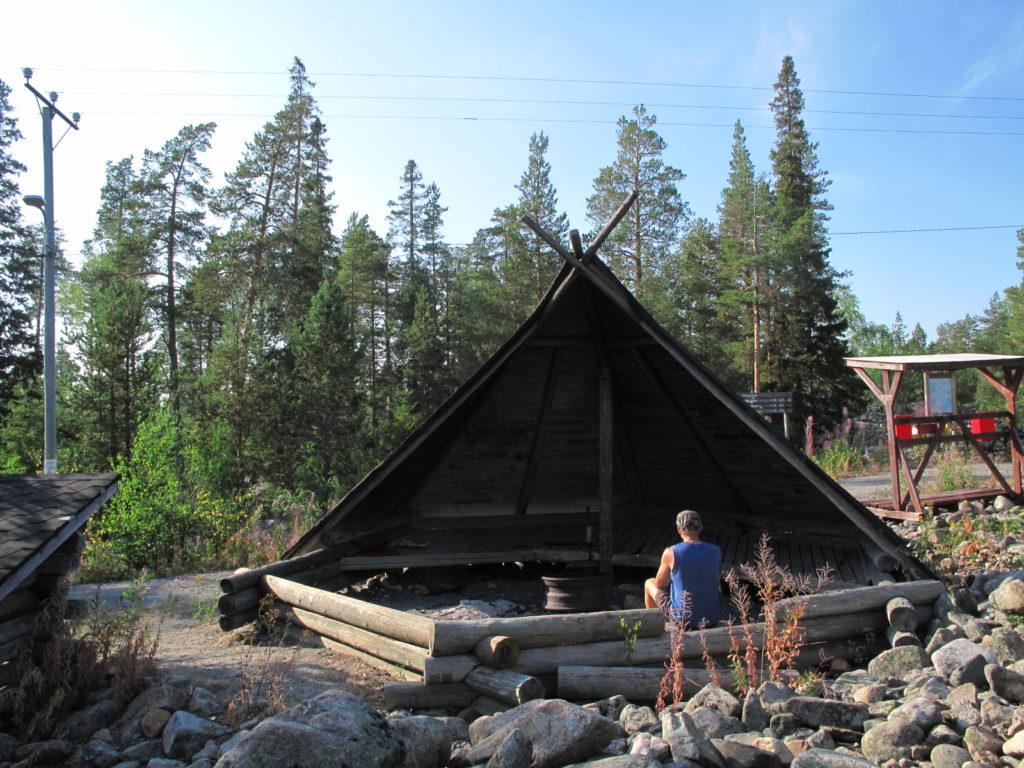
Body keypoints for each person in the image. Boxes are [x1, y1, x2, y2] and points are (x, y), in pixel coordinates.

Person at [644, 509, 722, 628]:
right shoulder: (716, 551)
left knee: (649, 583)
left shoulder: (671, 552)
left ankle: (653, 627)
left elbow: (660, 584)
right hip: (712, 618)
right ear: (700, 527)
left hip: (684, 619)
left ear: (679, 529)